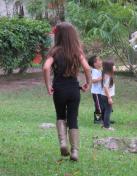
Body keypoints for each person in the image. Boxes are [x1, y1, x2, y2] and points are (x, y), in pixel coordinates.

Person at [43, 22, 91, 161]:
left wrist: (48, 86)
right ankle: (75, 151)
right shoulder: (77, 51)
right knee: (73, 118)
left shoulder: (55, 51)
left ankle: (63, 143)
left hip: (59, 89)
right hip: (73, 90)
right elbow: (87, 68)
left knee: (60, 115)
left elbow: (46, 68)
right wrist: (88, 83)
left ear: (58, 35)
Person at [101, 60, 115, 131]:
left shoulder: (105, 74)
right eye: (113, 66)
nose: (114, 67)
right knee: (108, 111)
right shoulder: (108, 76)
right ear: (110, 67)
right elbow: (105, 87)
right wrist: (109, 98)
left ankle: (104, 124)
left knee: (106, 110)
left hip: (104, 95)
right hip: (106, 96)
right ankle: (107, 126)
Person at [88, 55, 103, 124]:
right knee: (98, 106)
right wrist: (101, 78)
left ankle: (103, 118)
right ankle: (97, 120)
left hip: (100, 92)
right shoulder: (94, 71)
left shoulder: (99, 70)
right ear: (95, 64)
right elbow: (93, 80)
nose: (101, 61)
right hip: (96, 92)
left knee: (101, 105)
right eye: (99, 60)